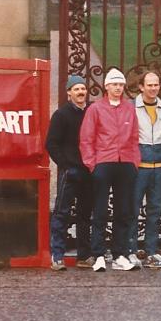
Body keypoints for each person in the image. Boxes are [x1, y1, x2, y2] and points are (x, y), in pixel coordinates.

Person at [79, 67, 142, 272]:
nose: (118, 88)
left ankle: (119, 254)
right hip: (103, 163)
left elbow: (134, 137)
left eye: (121, 85)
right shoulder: (95, 109)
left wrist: (134, 162)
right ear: (106, 86)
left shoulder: (129, 109)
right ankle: (98, 255)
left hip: (125, 164)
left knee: (123, 211)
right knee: (100, 210)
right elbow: (86, 139)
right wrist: (92, 164)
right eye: (114, 84)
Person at [45, 75, 93, 271]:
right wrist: (65, 164)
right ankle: (57, 255)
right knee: (61, 213)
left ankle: (83, 256)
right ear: (69, 93)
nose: (80, 92)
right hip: (70, 171)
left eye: (83, 89)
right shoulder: (61, 115)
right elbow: (51, 143)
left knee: (85, 215)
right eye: (76, 89)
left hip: (88, 170)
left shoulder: (91, 112)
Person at [130, 71, 161, 269]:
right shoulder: (131, 108)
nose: (153, 88)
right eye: (150, 85)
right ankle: (131, 249)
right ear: (141, 87)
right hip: (139, 166)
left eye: (156, 85)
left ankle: (152, 250)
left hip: (158, 167)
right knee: (132, 209)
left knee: (154, 211)